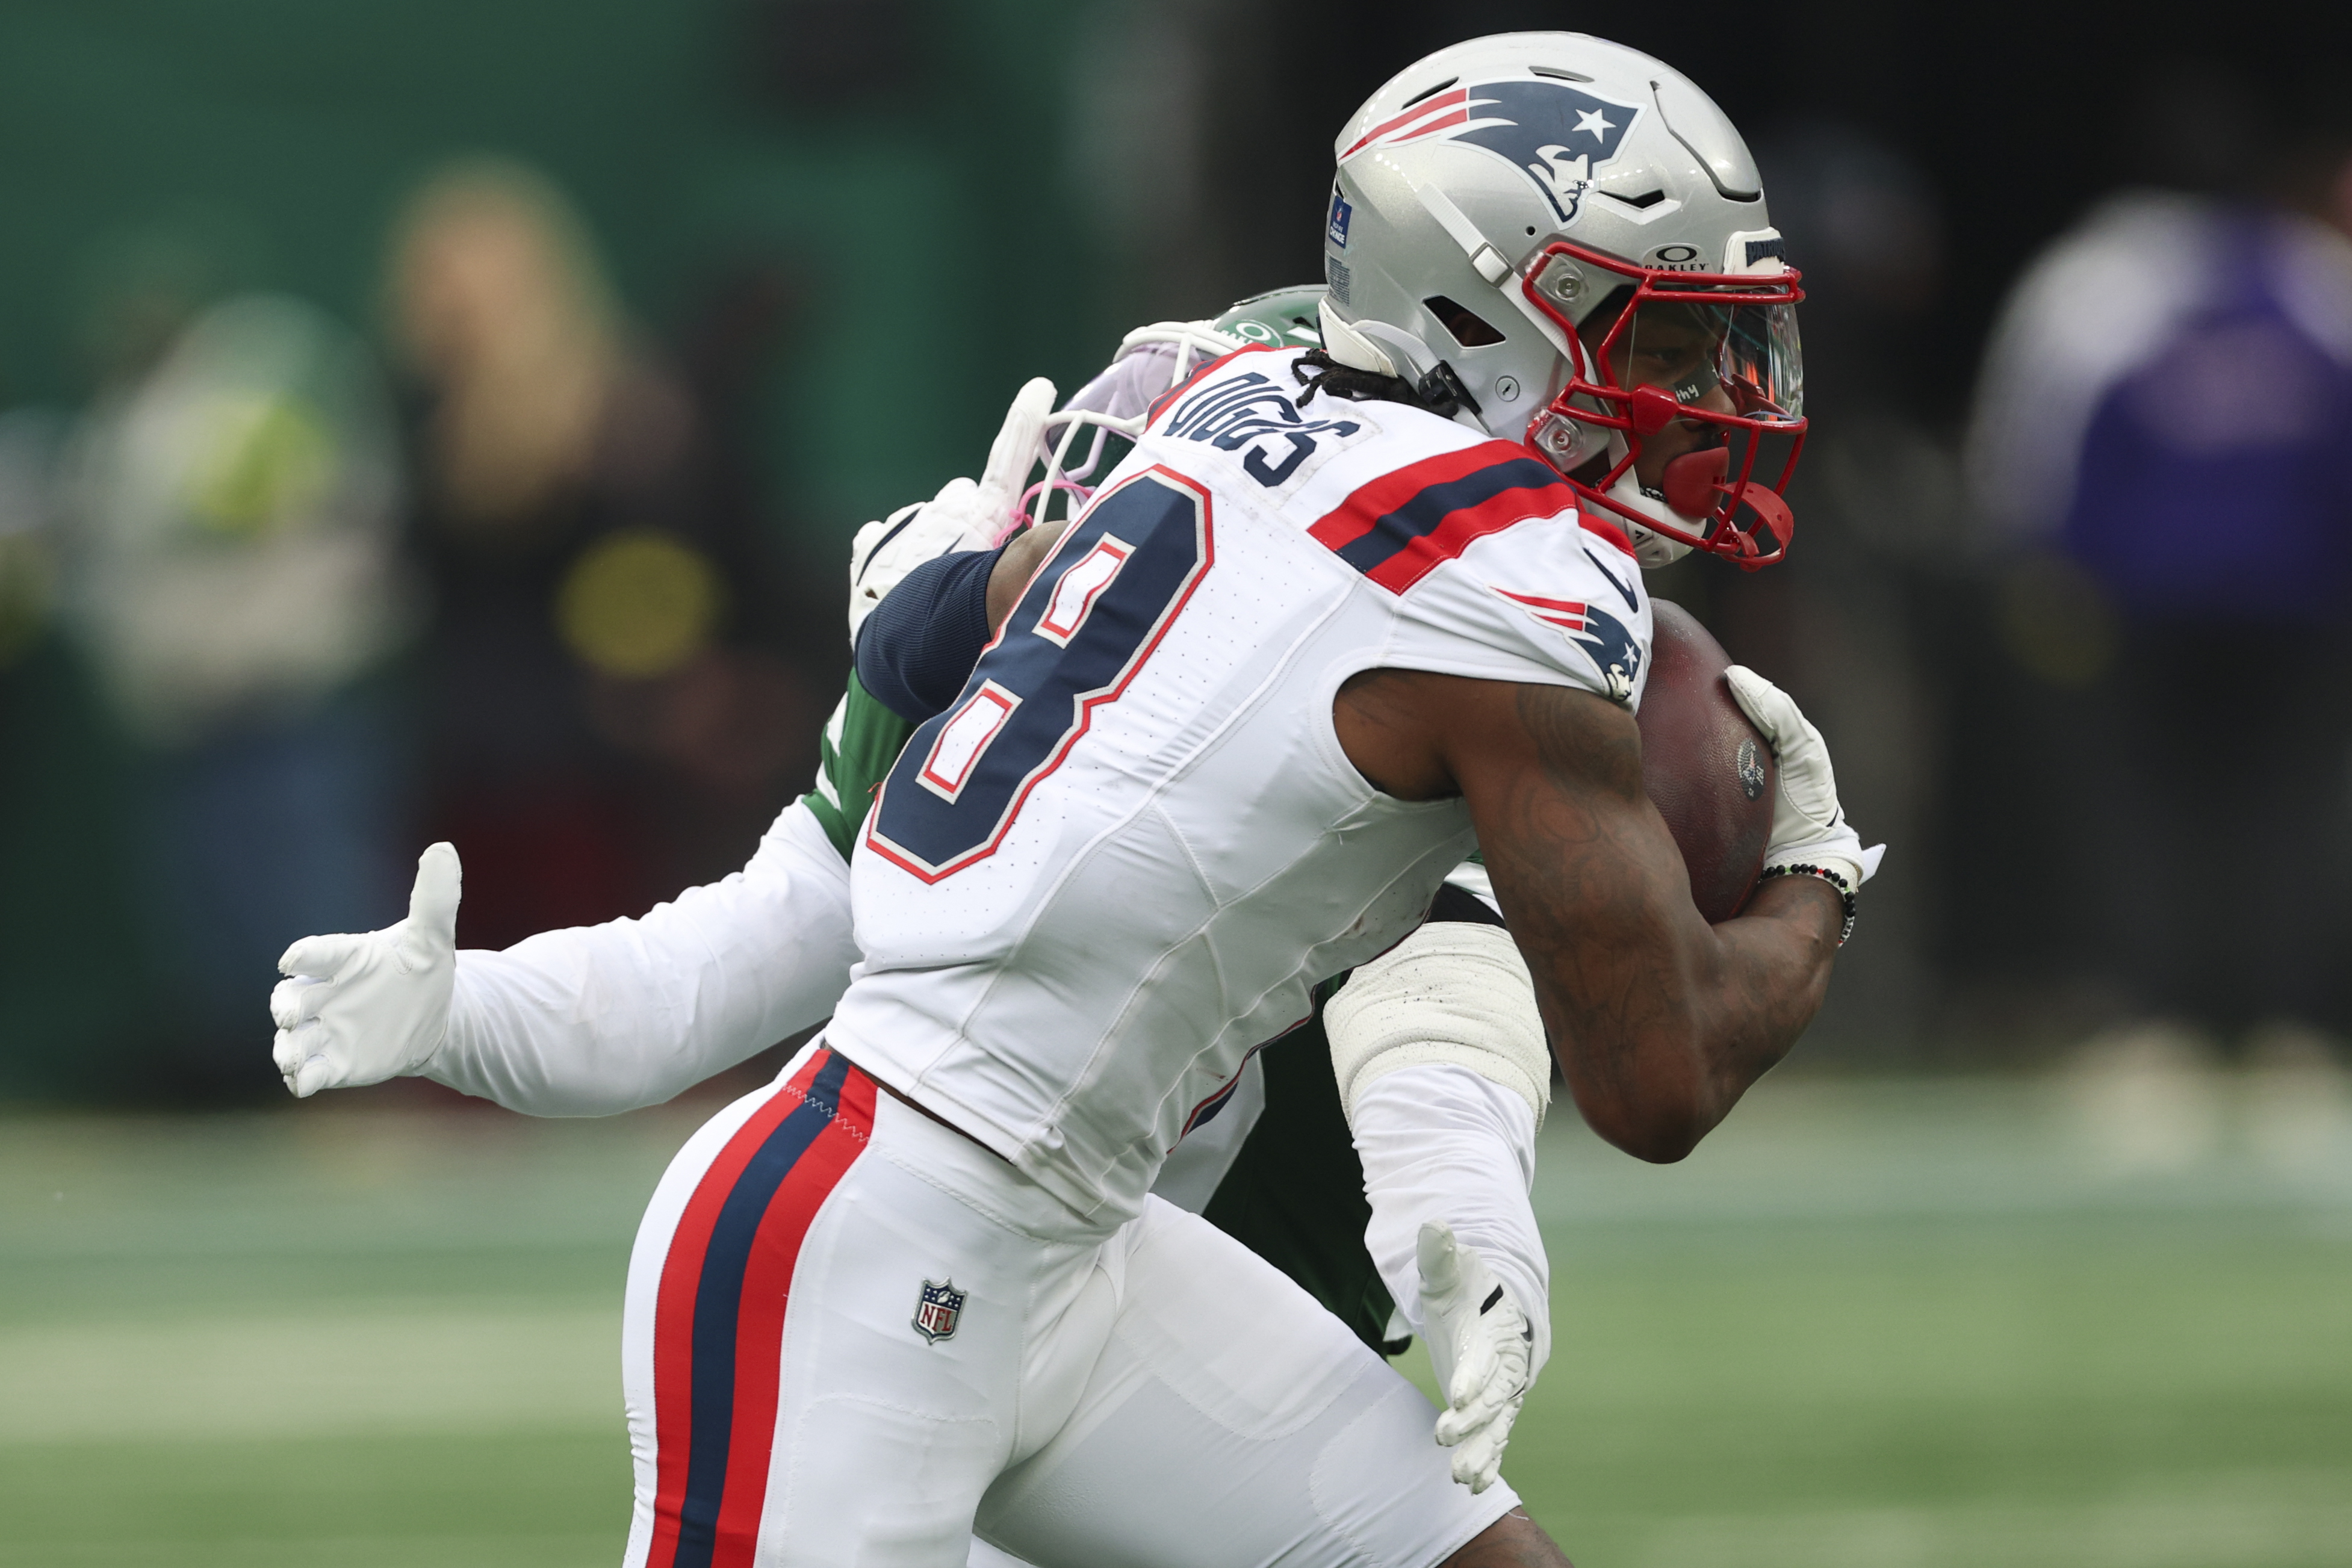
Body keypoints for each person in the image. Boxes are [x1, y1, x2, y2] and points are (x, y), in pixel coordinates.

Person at [275, 33, 1877, 1567]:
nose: (1714, 385)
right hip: (866, 1240)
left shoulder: (1218, 418)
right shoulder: (1504, 577)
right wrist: (1813, 871)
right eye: (1659, 338)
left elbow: (1426, 942)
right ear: (1480, 314)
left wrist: (934, 604)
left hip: (1068, 1240)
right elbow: (1654, 1076)